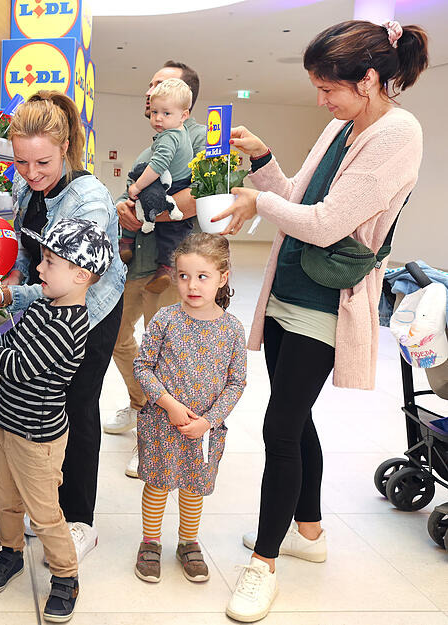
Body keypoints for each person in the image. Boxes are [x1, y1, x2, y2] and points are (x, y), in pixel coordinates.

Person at [210, 20, 428, 623]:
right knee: (294, 415)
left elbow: (326, 224)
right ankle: (308, 531)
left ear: (370, 80)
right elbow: (296, 203)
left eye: (329, 87)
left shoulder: (398, 134)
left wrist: (261, 202)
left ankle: (264, 563)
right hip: (288, 289)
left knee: (279, 430)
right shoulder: (341, 124)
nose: (321, 100)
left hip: (327, 304)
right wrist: (260, 159)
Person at [0, 218, 115, 624]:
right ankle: (10, 552)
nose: (39, 269)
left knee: (46, 513)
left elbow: (17, 365)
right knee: (5, 499)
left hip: (38, 438)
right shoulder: (41, 308)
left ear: (80, 274)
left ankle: (66, 576)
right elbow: (9, 343)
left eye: (50, 262)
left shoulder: (70, 326)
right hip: (9, 425)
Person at [0, 91, 126, 562]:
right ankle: (41, 499)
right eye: (21, 162)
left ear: (65, 148)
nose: (31, 173)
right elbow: (26, 254)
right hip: (43, 298)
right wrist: (8, 283)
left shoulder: (91, 203)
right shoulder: (25, 188)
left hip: (89, 310)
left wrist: (13, 296)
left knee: (76, 408)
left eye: (42, 162)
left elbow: (73, 283)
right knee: (42, 405)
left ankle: (79, 520)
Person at [104, 61, 206, 480]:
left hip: (173, 263)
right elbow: (141, 187)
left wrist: (143, 215)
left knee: (168, 351)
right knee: (114, 333)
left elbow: (197, 202)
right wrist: (125, 208)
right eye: (151, 85)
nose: (153, 92)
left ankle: (155, 437)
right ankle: (142, 403)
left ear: (187, 101)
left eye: (164, 86)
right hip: (136, 261)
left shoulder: (197, 138)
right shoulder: (157, 137)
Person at [132, 233, 246, 584]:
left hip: (203, 432)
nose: (192, 285)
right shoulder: (165, 320)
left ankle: (188, 542)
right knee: (158, 483)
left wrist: (209, 421)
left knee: (194, 487)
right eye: (183, 276)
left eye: (202, 276)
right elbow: (142, 366)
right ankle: (150, 542)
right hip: (161, 423)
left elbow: (236, 383)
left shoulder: (231, 330)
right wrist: (168, 404)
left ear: (222, 278)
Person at [121, 78, 194, 287]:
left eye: (166, 113)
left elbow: (158, 166)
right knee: (172, 231)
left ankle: (127, 242)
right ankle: (165, 265)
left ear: (184, 115)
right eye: (154, 113)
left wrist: (137, 186)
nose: (158, 119)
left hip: (173, 184)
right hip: (175, 180)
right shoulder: (180, 131)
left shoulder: (170, 137)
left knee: (137, 199)